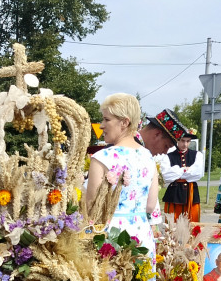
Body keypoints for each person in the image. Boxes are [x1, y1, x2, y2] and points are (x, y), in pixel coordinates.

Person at [83, 93, 160, 256]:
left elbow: (91, 207)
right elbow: (150, 205)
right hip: (142, 238)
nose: (101, 125)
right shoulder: (148, 156)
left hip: (111, 239)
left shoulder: (102, 158)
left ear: (125, 122)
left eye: (106, 119)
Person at [159, 127, 204, 223]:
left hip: (191, 192)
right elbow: (166, 176)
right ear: (177, 140)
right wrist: (184, 170)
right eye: (182, 141)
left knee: (193, 221)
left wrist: (177, 172)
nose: (185, 144)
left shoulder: (197, 155)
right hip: (174, 192)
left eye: (188, 141)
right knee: (172, 222)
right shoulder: (168, 156)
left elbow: (198, 174)